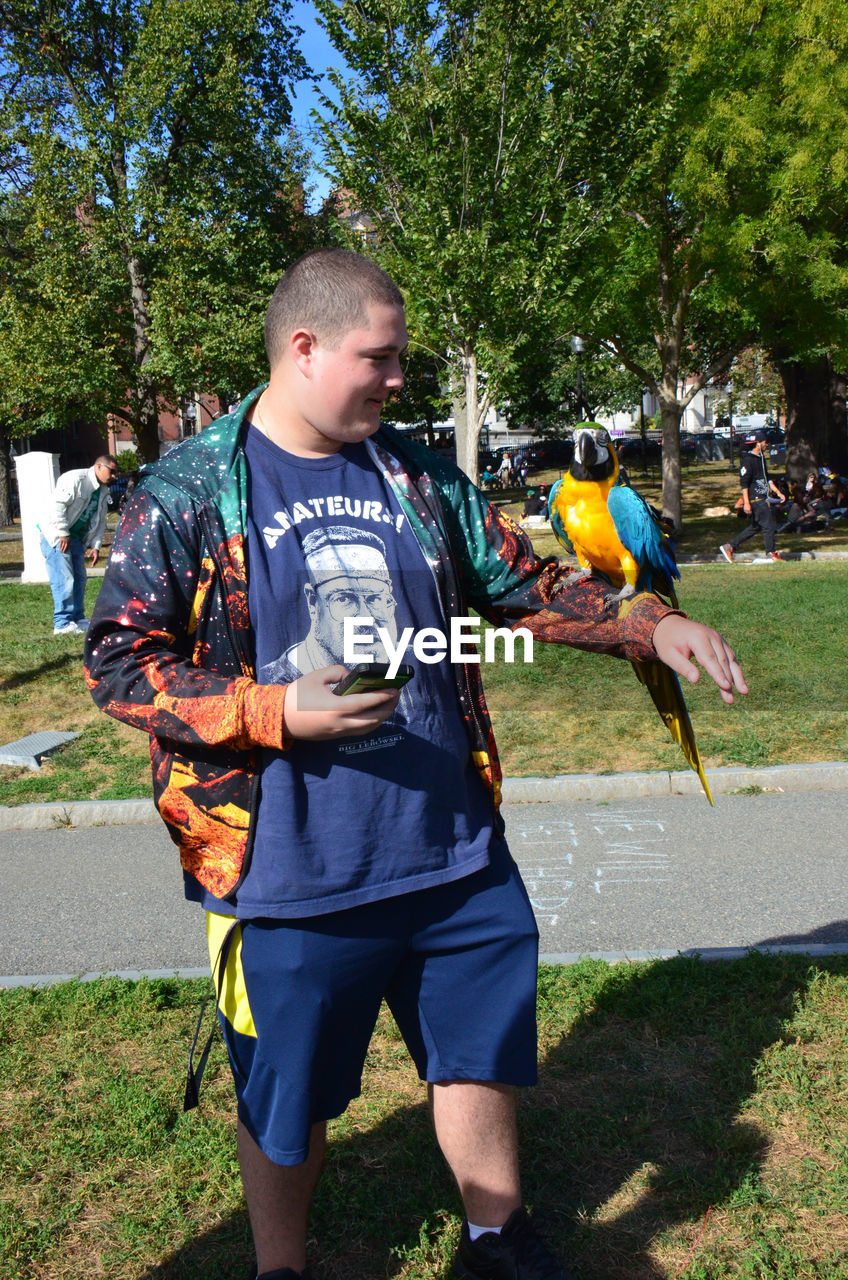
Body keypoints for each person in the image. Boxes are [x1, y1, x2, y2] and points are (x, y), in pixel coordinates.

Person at [84, 249, 747, 1280]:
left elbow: (519, 583)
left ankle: (493, 1233)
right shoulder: (188, 491)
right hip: (286, 872)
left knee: (476, 1050)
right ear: (302, 347)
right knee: (287, 1090)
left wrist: (645, 623)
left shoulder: (415, 475)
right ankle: (281, 1265)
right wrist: (272, 708)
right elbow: (119, 662)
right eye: (380, 357)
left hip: (453, 845)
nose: (399, 379)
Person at [39, 454, 118, 634]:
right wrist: (62, 533)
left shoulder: (103, 491)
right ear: (99, 466)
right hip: (56, 535)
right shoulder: (75, 479)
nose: (114, 476)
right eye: (111, 471)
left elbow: (99, 521)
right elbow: (57, 506)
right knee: (64, 578)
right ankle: (61, 623)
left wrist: (96, 546)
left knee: (80, 578)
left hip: (75, 538)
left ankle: (77, 617)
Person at [719, 429, 786, 563]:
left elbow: (767, 479)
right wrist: (747, 502)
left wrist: (778, 492)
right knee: (768, 526)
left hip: (763, 498)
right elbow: (744, 483)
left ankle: (729, 546)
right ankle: (771, 553)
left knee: (756, 526)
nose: (767, 445)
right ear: (758, 443)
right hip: (756, 499)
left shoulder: (761, 459)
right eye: (765, 442)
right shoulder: (748, 460)